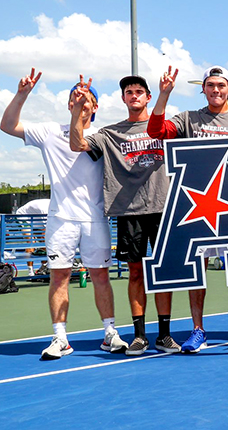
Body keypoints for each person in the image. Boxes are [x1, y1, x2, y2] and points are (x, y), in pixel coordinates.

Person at [1, 68, 126, 359]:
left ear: (96, 107)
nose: (80, 101)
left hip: (95, 219)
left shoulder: (103, 136)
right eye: (74, 97)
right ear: (69, 104)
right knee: (59, 277)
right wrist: (22, 94)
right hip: (60, 219)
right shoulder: (48, 132)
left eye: (86, 99)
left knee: (100, 276)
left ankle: (110, 333)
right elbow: (7, 125)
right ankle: (60, 339)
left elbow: (80, 142)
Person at [147, 65, 228, 353]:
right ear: (204, 88)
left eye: (221, 85)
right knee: (196, 266)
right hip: (196, 206)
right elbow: (156, 130)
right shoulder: (190, 118)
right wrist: (163, 95)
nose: (215, 90)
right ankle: (198, 329)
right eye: (210, 85)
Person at [69, 74, 179, 355]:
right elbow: (77, 143)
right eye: (129, 92)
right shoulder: (110, 133)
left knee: (165, 274)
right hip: (130, 211)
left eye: (139, 91)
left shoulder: (166, 128)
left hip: (164, 208)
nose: (134, 95)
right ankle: (140, 335)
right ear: (123, 98)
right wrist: (78, 111)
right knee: (135, 273)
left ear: (148, 97)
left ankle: (164, 335)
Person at [15, 198, 50, 277]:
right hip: (24, 217)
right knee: (31, 242)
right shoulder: (45, 210)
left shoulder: (55, 209)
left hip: (36, 220)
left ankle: (43, 267)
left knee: (44, 243)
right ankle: (30, 271)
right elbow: (46, 232)